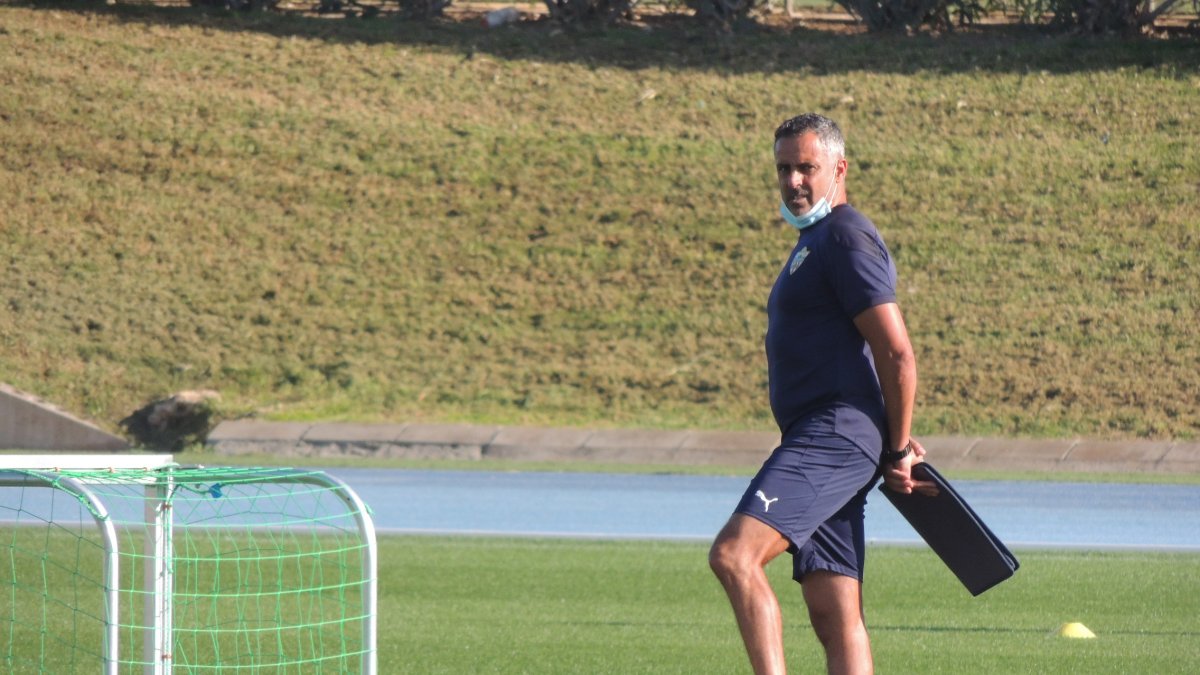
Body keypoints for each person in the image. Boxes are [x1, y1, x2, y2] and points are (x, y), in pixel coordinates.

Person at [708, 113, 935, 675]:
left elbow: (897, 352)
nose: (793, 181)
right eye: (783, 169)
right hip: (831, 436)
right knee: (836, 615)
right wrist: (886, 436)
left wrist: (898, 445)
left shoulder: (844, 236)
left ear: (839, 168)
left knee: (735, 556)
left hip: (830, 437)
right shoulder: (815, 240)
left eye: (807, 167)